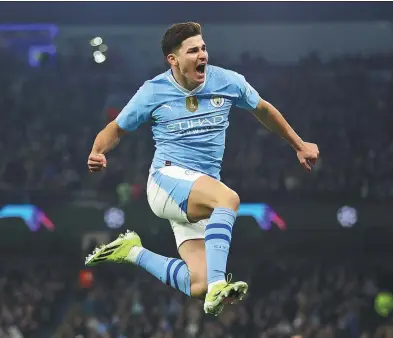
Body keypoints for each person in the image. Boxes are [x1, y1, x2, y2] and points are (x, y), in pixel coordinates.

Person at [85, 22, 319, 316]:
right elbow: (115, 129)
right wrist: (97, 152)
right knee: (228, 200)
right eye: (193, 50)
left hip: (199, 190)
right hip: (166, 181)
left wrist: (299, 145)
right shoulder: (153, 91)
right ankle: (220, 283)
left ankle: (132, 251)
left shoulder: (226, 81)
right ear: (173, 59)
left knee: (198, 285)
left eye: (204, 48)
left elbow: (263, 109)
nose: (202, 55)